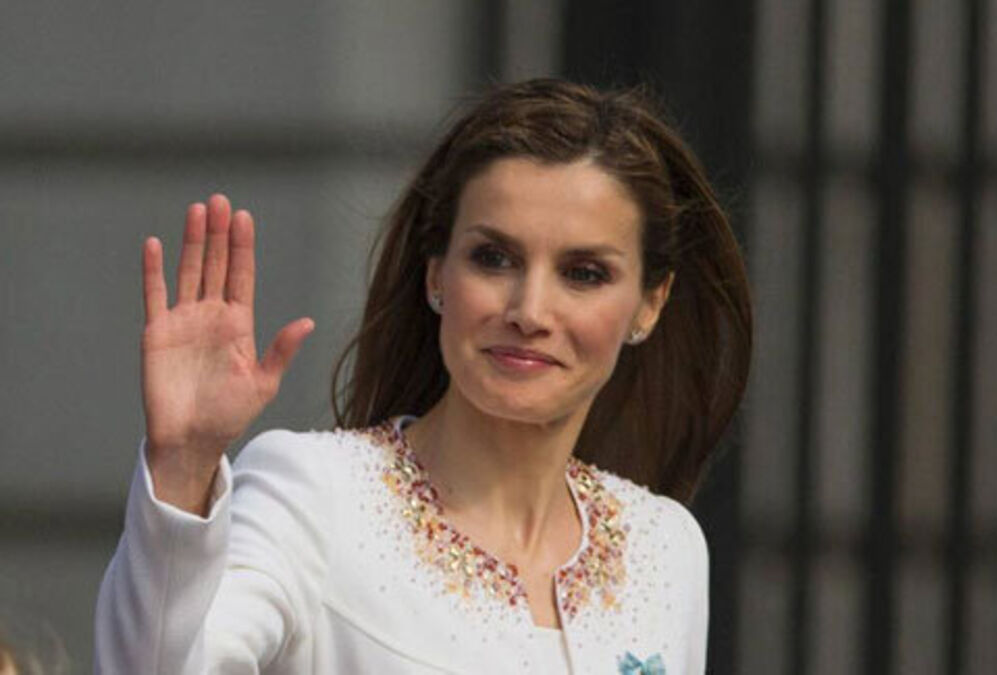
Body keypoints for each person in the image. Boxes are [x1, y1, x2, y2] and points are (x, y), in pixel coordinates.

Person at [94, 78, 752, 674]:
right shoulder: (317, 493)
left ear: (650, 303)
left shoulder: (664, 546)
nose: (529, 311)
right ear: (437, 274)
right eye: (493, 258)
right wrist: (183, 462)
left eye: (584, 273)